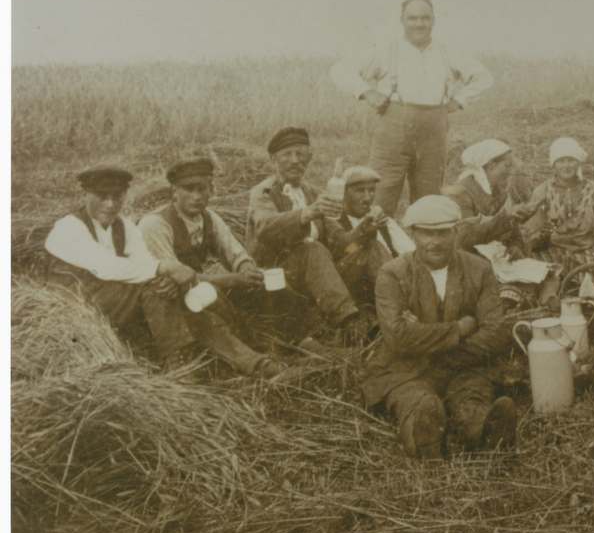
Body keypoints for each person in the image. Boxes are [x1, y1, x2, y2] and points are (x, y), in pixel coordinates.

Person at [45, 165, 289, 379]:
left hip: (118, 303)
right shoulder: (68, 227)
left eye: (116, 196)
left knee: (177, 300)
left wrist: (165, 277)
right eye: (101, 195)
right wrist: (165, 268)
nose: (110, 204)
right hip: (76, 308)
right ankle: (181, 367)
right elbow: (106, 266)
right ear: (84, 194)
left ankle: (257, 365)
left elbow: (142, 261)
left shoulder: (125, 227)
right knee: (159, 290)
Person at [362, 196, 516, 460]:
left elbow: (495, 333)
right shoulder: (392, 273)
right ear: (413, 234)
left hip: (466, 365)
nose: (435, 241)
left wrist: (430, 343)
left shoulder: (479, 269)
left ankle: (487, 438)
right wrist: (459, 328)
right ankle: (423, 443)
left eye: (443, 232)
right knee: (416, 403)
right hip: (407, 370)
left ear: (455, 232)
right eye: (426, 234)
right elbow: (398, 337)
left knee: (472, 399)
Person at [330, 0, 494, 217]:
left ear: (433, 20)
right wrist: (367, 93)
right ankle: (374, 247)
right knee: (379, 195)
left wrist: (458, 100)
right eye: (413, 18)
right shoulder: (386, 49)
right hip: (393, 131)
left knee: (429, 200)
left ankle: (421, 249)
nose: (419, 23)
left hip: (434, 134)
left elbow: (484, 77)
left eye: (425, 18)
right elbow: (340, 69)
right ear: (402, 20)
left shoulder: (447, 51)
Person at [246, 127, 361, 348]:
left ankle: (397, 306)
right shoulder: (263, 192)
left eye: (300, 154)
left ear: (310, 158)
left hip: (313, 275)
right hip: (275, 275)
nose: (295, 160)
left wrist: (364, 230)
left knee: (369, 247)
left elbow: (339, 242)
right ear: (273, 159)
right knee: (313, 249)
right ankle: (349, 321)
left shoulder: (314, 193)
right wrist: (307, 213)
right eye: (287, 155)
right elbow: (265, 227)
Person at [139, 157, 264, 294]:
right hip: (159, 294)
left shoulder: (209, 217)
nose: (196, 196)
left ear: (210, 190)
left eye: (202, 188)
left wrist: (247, 269)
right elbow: (176, 277)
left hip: (192, 289)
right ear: (174, 191)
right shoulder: (155, 224)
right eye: (188, 189)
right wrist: (234, 279)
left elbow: (235, 254)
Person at [325, 165, 415, 313]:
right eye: (359, 191)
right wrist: (365, 235)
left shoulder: (380, 219)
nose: (367, 198)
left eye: (371, 191)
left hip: (388, 280)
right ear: (343, 193)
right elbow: (343, 252)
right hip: (350, 283)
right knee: (373, 246)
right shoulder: (333, 219)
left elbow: (410, 252)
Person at [523, 137, 594, 271]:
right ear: (553, 165)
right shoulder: (541, 192)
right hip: (553, 252)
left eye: (571, 160)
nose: (566, 165)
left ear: (578, 163)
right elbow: (533, 236)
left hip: (588, 251)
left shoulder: (593, 189)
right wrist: (541, 236)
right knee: (536, 264)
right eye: (561, 161)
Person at [443, 139, 535, 256]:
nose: (511, 172)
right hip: (467, 260)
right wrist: (505, 216)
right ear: (491, 165)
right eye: (507, 166)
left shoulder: (503, 196)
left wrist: (515, 247)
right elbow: (465, 239)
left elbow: (515, 236)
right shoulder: (460, 193)